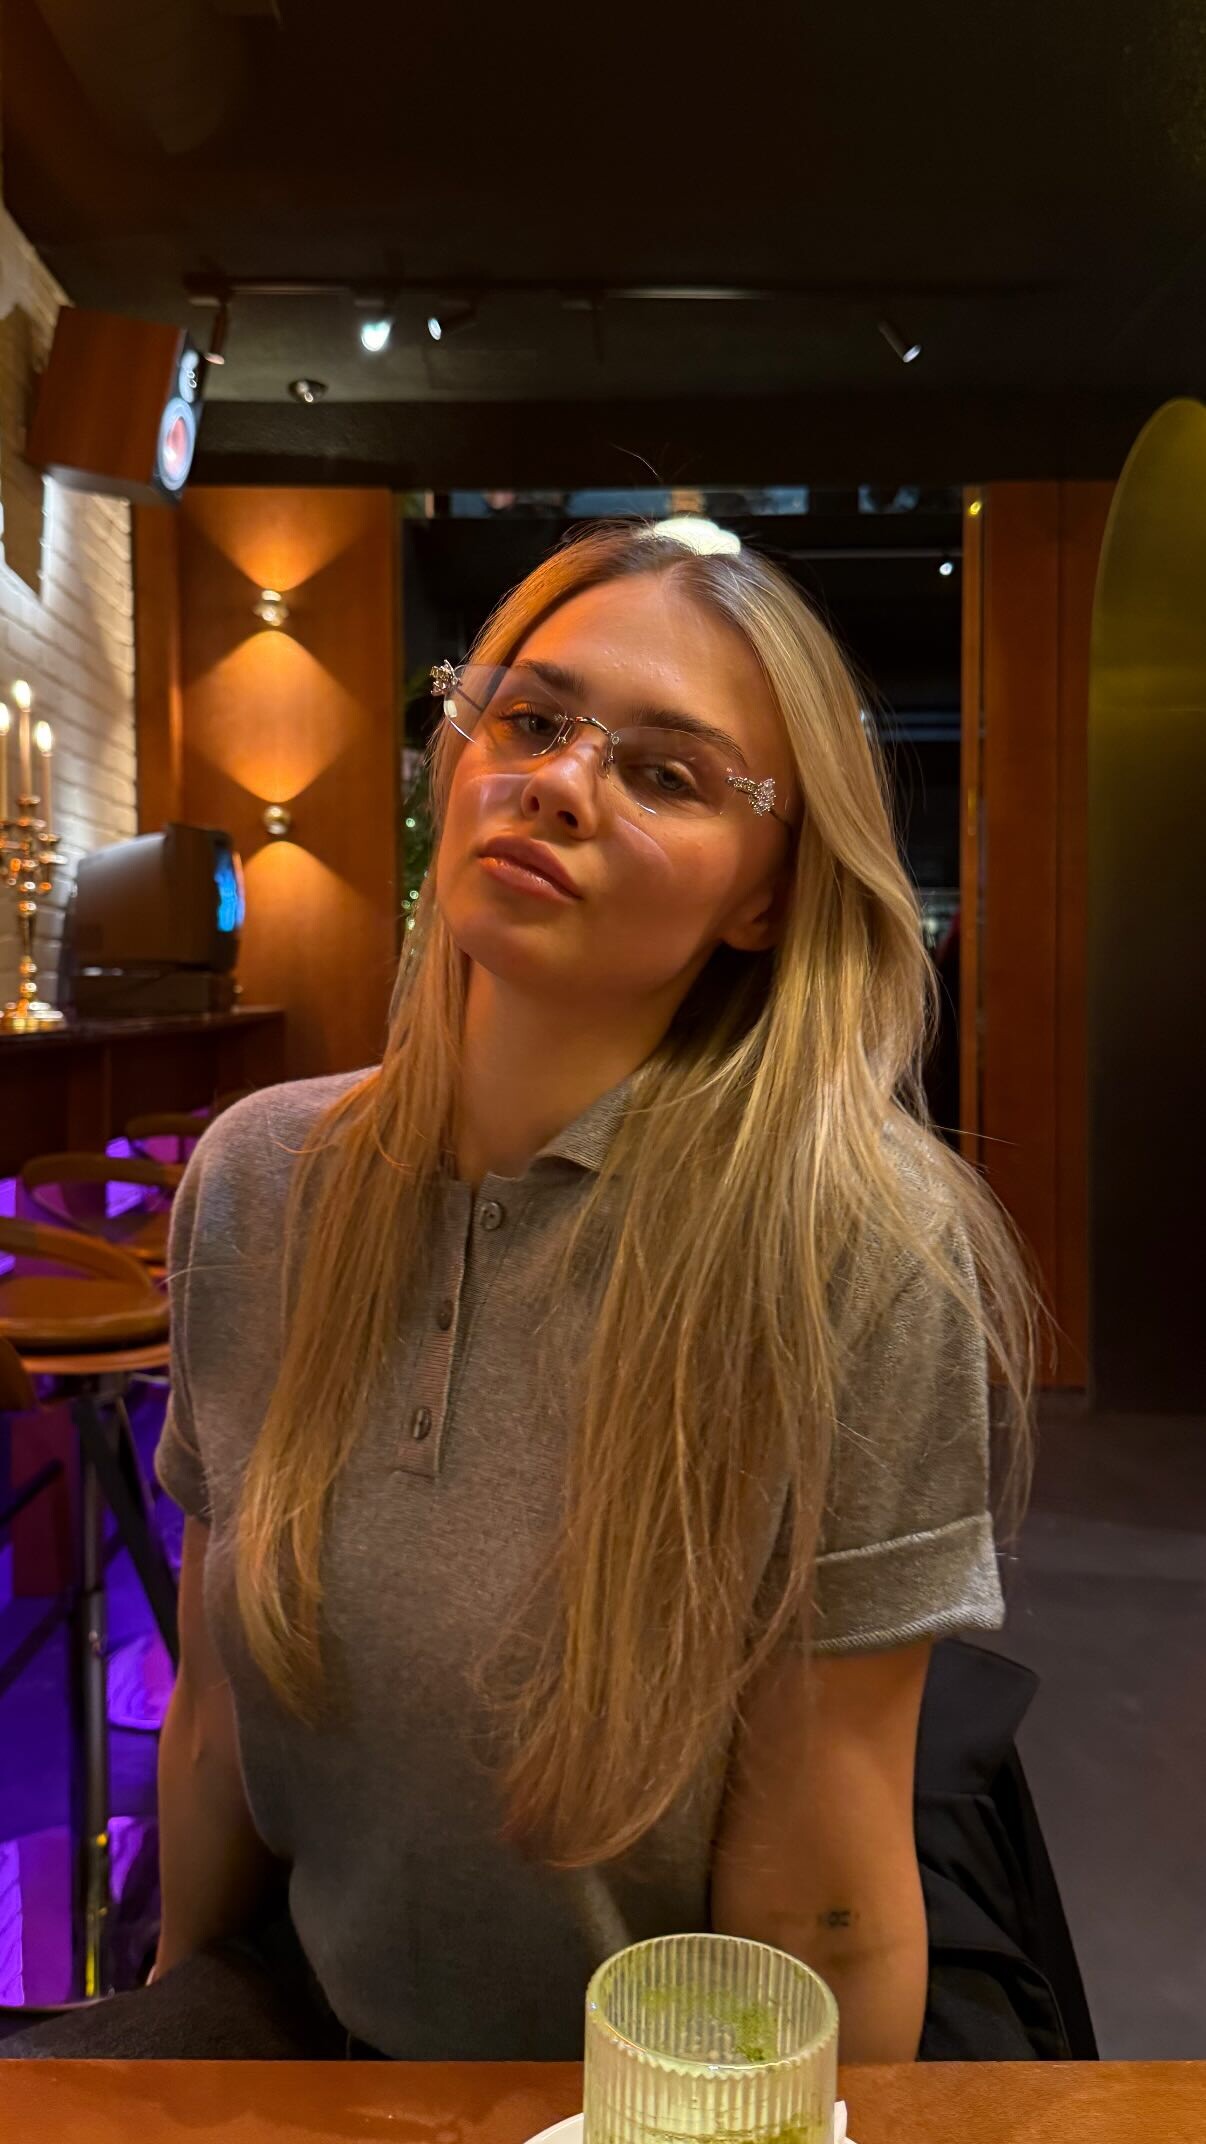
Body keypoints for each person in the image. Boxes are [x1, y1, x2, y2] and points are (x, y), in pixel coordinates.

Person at [7, 518, 1039, 2063]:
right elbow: (216, 1716)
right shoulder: (260, 1179)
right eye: (533, 719)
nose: (559, 780)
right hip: (312, 2023)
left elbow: (823, 1894)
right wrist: (177, 2056)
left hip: (667, 2082)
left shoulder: (859, 1243)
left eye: (667, 773)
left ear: (763, 897)